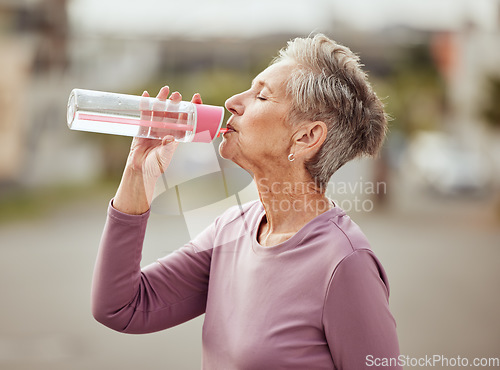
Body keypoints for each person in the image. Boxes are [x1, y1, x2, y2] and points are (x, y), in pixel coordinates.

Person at [91, 33, 402, 369]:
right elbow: (122, 307)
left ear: (307, 136)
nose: (232, 102)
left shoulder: (345, 264)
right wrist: (138, 173)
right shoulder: (231, 230)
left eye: (261, 96)